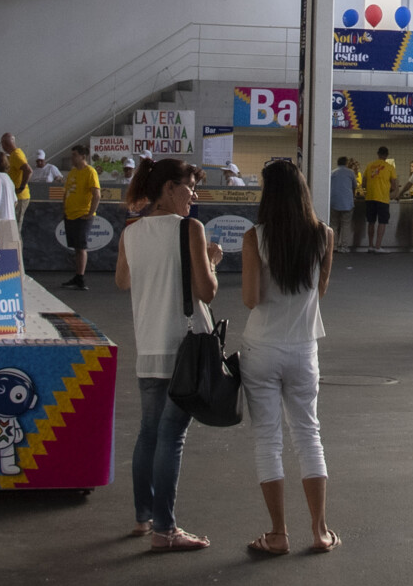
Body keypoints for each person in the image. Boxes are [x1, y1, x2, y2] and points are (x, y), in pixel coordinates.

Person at [114, 159, 218, 552]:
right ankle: (165, 529)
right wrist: (211, 261)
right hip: (183, 349)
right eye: (190, 187)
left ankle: (143, 518)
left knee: (149, 432)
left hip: (149, 344)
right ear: (170, 188)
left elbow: (123, 281)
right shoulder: (189, 229)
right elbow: (207, 292)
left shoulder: (131, 232)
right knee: (171, 437)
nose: (194, 195)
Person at [239, 159, 337, 556]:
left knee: (268, 439)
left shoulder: (255, 237)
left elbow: (251, 299)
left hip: (260, 348)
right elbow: (320, 291)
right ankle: (320, 529)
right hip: (303, 348)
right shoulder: (324, 235)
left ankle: (278, 534)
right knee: (308, 434)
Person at [59, 144, 101, 289]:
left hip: (82, 214)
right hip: (70, 214)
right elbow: (66, 192)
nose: (72, 158)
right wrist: (64, 209)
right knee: (76, 247)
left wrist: (90, 213)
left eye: (74, 155)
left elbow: (97, 195)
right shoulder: (73, 172)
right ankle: (77, 276)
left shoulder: (90, 172)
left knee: (81, 246)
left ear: (83, 156)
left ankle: (81, 278)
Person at [357, 146, 396, 253]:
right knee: (382, 222)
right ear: (386, 155)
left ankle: (370, 245)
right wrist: (387, 189)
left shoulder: (369, 166)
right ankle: (378, 247)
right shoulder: (390, 167)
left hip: (370, 198)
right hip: (383, 198)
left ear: (378, 154)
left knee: (371, 222)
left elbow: (363, 184)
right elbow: (394, 186)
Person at [328, 154, 358, 235]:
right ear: (346, 163)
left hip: (334, 202)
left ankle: (333, 242)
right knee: (346, 226)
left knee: (334, 225)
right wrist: (353, 196)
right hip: (347, 204)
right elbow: (354, 186)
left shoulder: (332, 173)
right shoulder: (350, 173)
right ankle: (344, 243)